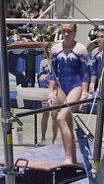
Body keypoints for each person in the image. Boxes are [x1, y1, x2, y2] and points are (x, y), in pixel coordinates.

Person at [47, 23, 89, 163]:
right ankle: (73, 158)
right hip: (60, 87)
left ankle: (68, 157)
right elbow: (52, 73)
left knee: (61, 118)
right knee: (67, 122)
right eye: (63, 31)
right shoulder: (55, 49)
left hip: (75, 86)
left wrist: (84, 93)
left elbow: (85, 74)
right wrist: (51, 92)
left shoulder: (80, 49)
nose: (66, 34)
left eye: (69, 31)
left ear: (75, 32)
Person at [37, 44, 58, 145]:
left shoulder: (59, 61)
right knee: (45, 114)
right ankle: (43, 138)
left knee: (55, 115)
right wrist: (44, 76)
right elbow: (40, 75)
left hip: (55, 91)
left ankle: (54, 139)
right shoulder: (43, 62)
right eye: (50, 48)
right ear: (48, 50)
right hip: (45, 90)